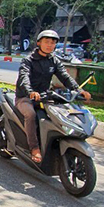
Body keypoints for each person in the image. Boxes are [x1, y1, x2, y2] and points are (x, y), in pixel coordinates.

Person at [16, 30, 91, 163]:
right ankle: (34, 148)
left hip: (45, 97)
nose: (49, 45)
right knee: (31, 115)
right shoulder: (28, 60)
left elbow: (65, 76)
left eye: (52, 43)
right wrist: (30, 91)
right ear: (39, 43)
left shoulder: (54, 61)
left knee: (60, 113)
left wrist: (79, 90)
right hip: (25, 97)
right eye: (46, 42)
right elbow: (24, 77)